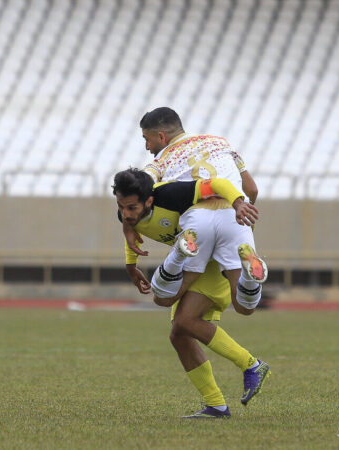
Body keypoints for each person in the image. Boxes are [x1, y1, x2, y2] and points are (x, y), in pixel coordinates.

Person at [113, 168, 271, 418]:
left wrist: (239, 202)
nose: (125, 213)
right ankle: (217, 405)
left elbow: (219, 184)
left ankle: (250, 365)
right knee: (180, 333)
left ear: (149, 200)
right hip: (204, 245)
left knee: (172, 308)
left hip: (209, 251)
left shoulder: (172, 193)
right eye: (122, 207)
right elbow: (129, 228)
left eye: (131, 208)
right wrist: (131, 265)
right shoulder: (128, 210)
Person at [125, 107, 266, 314]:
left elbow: (134, 191)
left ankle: (179, 256)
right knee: (244, 306)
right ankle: (249, 274)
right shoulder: (221, 142)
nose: (147, 146)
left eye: (147, 139)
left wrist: (128, 229)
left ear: (161, 136)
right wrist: (244, 210)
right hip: (234, 215)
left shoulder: (161, 160)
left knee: (163, 298)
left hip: (197, 220)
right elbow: (252, 189)